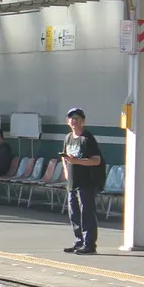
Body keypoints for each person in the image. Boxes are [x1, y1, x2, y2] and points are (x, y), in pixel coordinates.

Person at [61, 108, 102, 255]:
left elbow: (96, 160)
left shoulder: (87, 138)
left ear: (83, 121)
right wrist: (66, 168)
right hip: (72, 182)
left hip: (86, 181)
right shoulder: (68, 137)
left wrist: (76, 161)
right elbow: (64, 156)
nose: (73, 121)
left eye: (77, 118)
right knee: (74, 213)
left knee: (87, 212)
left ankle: (89, 244)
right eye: (71, 118)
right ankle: (79, 241)